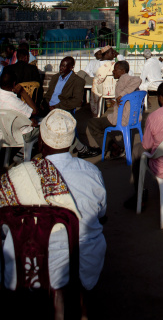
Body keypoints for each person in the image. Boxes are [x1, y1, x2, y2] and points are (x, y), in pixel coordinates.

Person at [0, 109, 107, 300]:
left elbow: (5, 224)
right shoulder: (92, 171)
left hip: (30, 267)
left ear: (41, 142)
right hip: (85, 263)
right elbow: (101, 214)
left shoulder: (19, 175)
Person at [82, 60, 141, 159]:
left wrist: (122, 95)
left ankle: (113, 148)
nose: (113, 72)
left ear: (122, 71)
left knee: (92, 123)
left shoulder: (124, 78)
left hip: (122, 118)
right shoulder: (124, 80)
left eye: (115, 70)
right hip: (134, 117)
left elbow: (138, 80)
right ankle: (114, 146)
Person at [0, 66, 39, 149]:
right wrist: (22, 92)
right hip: (18, 136)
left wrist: (29, 118)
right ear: (14, 84)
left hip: (3, 134)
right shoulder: (13, 101)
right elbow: (35, 111)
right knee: (43, 128)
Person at [90, 45, 118, 116]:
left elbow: (94, 73)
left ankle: (97, 112)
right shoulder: (114, 64)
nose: (114, 54)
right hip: (114, 90)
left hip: (101, 90)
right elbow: (126, 68)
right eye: (112, 52)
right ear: (106, 54)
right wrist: (118, 55)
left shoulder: (97, 64)